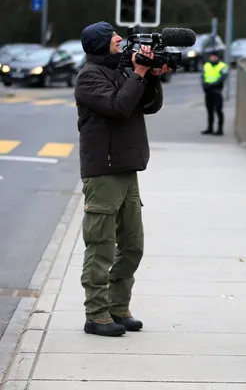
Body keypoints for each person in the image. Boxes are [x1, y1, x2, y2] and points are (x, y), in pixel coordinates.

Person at [74, 21, 166, 337]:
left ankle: (118, 306)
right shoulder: (89, 77)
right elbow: (118, 107)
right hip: (103, 172)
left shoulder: (123, 71)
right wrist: (138, 74)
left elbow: (148, 106)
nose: (119, 39)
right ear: (99, 45)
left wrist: (151, 77)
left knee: (132, 245)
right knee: (101, 246)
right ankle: (96, 314)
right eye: (112, 37)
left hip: (127, 168)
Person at [201, 47, 229, 135]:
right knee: (209, 110)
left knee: (218, 110)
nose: (212, 58)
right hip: (208, 90)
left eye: (214, 56)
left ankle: (220, 129)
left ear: (218, 57)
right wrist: (204, 84)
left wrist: (214, 83)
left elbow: (223, 77)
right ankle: (210, 128)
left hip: (217, 91)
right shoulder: (206, 65)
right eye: (211, 56)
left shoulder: (222, 66)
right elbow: (202, 76)